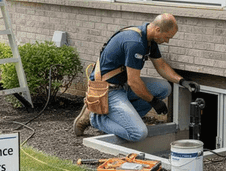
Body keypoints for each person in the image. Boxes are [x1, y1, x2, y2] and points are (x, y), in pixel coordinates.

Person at [73, 13, 198, 141]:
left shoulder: (149, 40)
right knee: (139, 133)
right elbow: (134, 82)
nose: (167, 41)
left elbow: (161, 66)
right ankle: (95, 119)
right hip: (108, 89)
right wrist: (153, 101)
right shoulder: (135, 42)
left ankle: (124, 121)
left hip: (123, 85)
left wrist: (182, 81)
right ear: (158, 29)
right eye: (167, 37)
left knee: (164, 88)